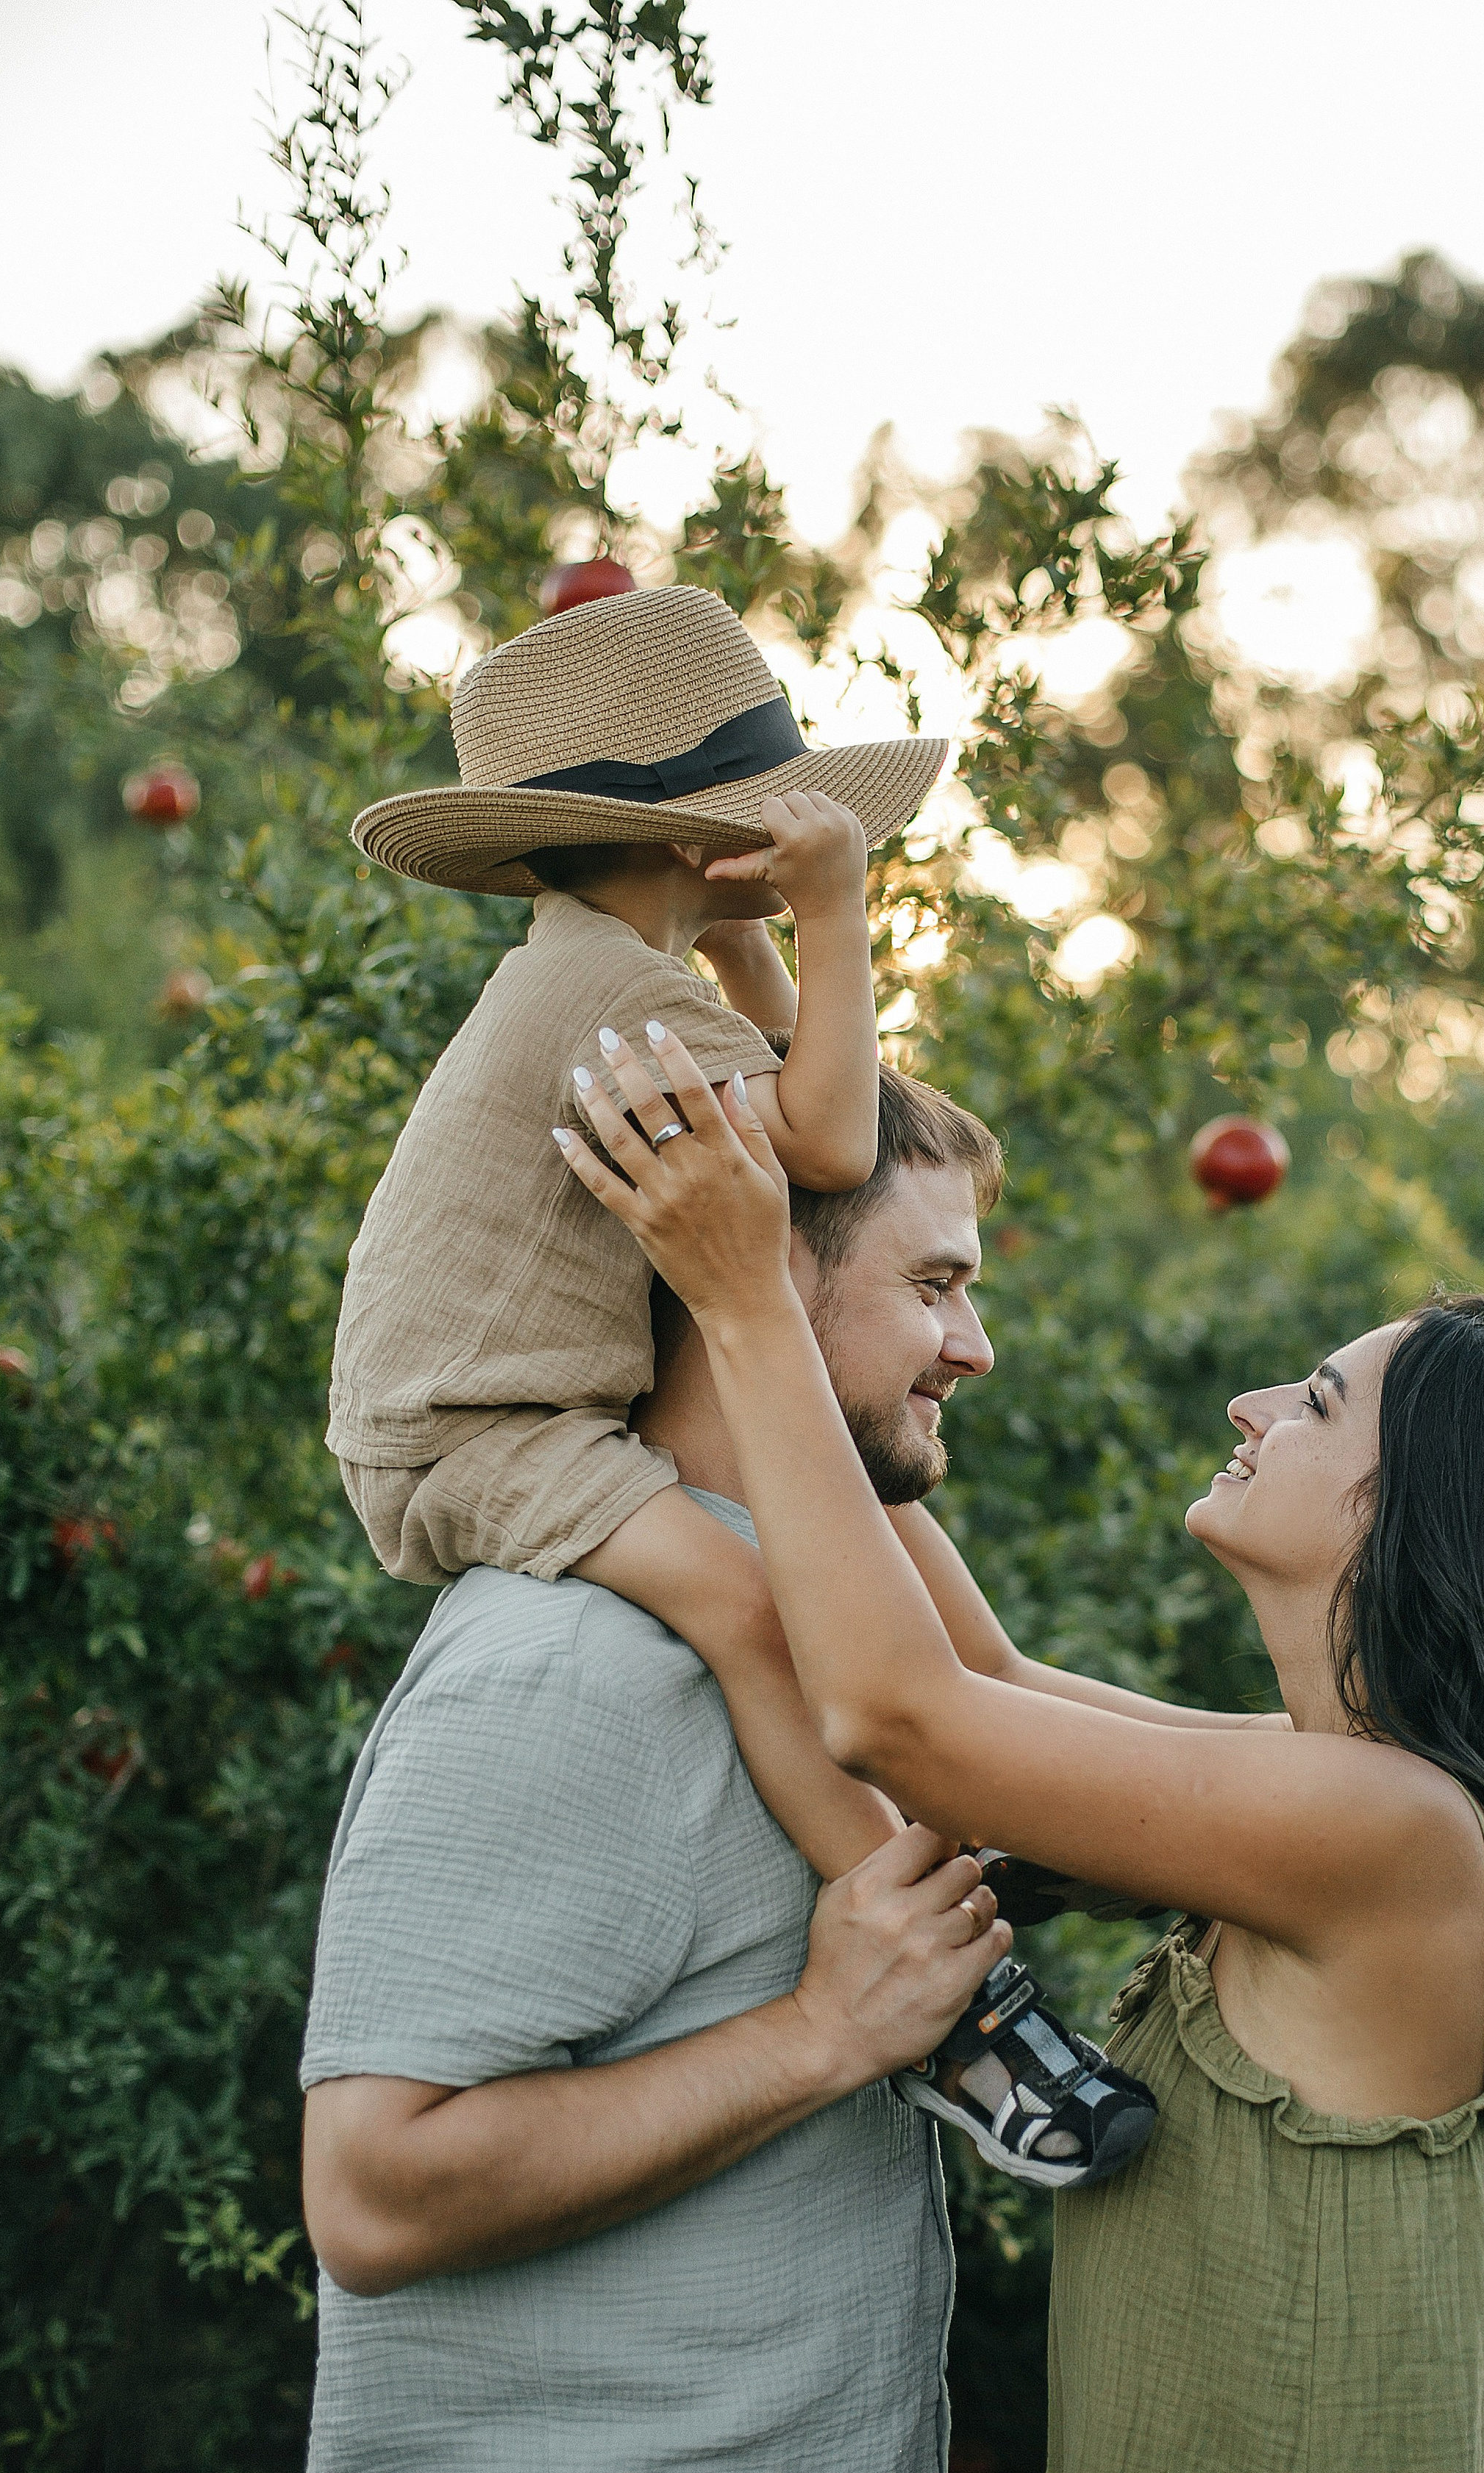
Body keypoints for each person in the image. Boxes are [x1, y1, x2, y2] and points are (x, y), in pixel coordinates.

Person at [554, 1030, 1484, 2473]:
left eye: (1312, 1404)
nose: (1250, 1405)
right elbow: (979, 1684)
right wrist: (795, 1171)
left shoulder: (1385, 1832)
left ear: (1409, 1517)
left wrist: (746, 1300)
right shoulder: (1322, 1786)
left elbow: (902, 1721)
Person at [302, 1061, 1205, 2473]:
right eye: (935, 1287)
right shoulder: (565, 1668)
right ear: (761, 1288)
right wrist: (822, 2034)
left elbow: (1027, 1725)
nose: (975, 1347)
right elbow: (374, 2194)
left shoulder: (815, 1634)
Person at [331, 584, 1151, 2189]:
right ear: (707, 837)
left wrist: (751, 930)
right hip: (479, 1435)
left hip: (512, 1410)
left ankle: (1010, 1810)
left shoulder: (625, 967)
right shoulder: (595, 989)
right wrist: (834, 918)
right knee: (754, 1609)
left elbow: (834, 1121)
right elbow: (839, 1149)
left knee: (852, 1553)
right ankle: (958, 2014)